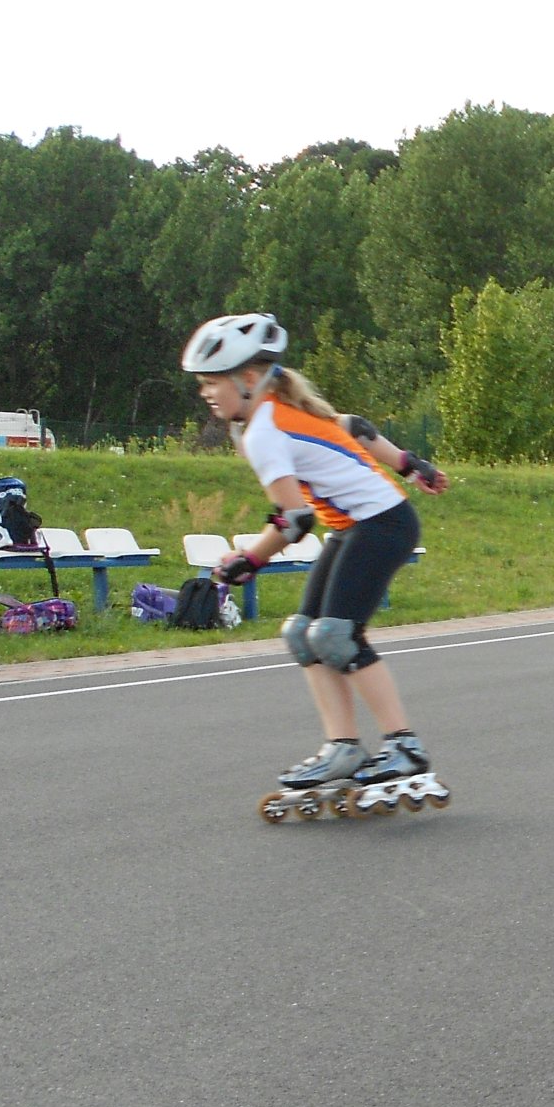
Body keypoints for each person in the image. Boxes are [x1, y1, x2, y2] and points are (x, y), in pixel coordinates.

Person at [181, 312, 448, 795]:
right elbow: (354, 428)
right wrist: (411, 464)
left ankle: (404, 745)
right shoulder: (279, 411)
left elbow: (295, 519)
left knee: (335, 635)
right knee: (302, 635)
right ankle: (343, 747)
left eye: (212, 382)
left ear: (247, 379)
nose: (205, 393)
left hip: (382, 524)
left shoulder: (264, 430)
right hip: (356, 526)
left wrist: (251, 559)